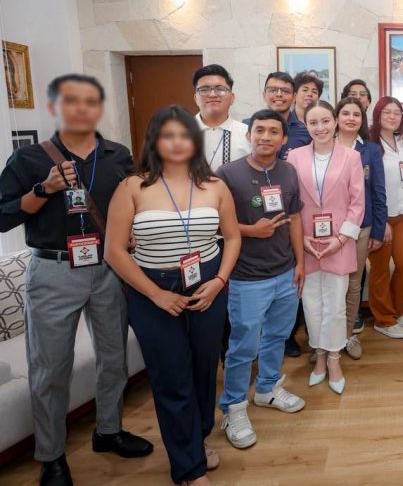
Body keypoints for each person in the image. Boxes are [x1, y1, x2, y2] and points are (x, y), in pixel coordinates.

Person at [0, 74, 154, 486]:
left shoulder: (117, 154)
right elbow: (3, 216)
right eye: (71, 101)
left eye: (90, 101)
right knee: (50, 368)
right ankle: (51, 456)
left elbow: (135, 200)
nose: (81, 109)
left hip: (108, 267)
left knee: (113, 356)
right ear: (55, 108)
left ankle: (109, 430)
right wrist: (44, 188)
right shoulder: (29, 159)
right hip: (54, 271)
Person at [105, 104, 241, 485]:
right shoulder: (132, 187)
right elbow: (114, 251)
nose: (177, 142)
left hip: (207, 285)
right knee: (171, 377)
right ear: (154, 141)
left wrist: (220, 281)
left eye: (184, 135)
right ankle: (189, 468)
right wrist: (156, 295)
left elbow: (232, 237)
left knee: (204, 372)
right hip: (152, 291)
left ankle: (196, 439)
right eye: (168, 135)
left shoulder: (215, 186)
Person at [217, 109, 306, 450]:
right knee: (243, 346)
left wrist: (300, 262)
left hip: (285, 273)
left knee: (277, 336)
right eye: (259, 130)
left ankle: (267, 389)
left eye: (273, 131)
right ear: (248, 135)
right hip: (247, 277)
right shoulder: (228, 174)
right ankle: (234, 407)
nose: (265, 136)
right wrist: (250, 230)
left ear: (284, 139)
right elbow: (215, 222)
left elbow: (294, 218)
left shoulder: (288, 171)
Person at [286, 100, 365, 395]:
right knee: (311, 304)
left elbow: (357, 204)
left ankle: (333, 358)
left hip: (339, 243)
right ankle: (318, 355)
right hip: (306, 243)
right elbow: (290, 202)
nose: (320, 128)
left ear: (335, 122)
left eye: (325, 121)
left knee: (335, 305)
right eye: (313, 122)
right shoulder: (294, 157)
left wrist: (341, 239)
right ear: (306, 126)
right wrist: (302, 238)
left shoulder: (351, 157)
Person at [334, 97, 386, 358]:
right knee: (332, 284)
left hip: (361, 227)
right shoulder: (323, 146)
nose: (351, 118)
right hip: (331, 229)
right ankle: (326, 341)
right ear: (337, 117)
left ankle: (347, 336)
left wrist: (378, 230)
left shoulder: (371, 150)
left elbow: (378, 192)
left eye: (357, 114)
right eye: (346, 113)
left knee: (354, 283)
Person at [367, 96, 403, 339]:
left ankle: (397, 309)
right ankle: (384, 320)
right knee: (380, 271)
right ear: (377, 115)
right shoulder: (370, 145)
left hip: (402, 213)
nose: (392, 116)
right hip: (381, 218)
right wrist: (381, 222)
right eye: (387, 112)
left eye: (397, 112)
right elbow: (368, 187)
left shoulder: (401, 142)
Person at [283, 72, 324, 356]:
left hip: (314, 212)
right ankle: (288, 335)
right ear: (295, 93)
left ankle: (313, 333)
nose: (309, 94)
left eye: (314, 91)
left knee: (308, 275)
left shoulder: (318, 125)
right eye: (305, 89)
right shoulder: (284, 126)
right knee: (292, 274)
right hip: (286, 208)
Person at [192, 64, 250, 172]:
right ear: (196, 98)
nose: (212, 95)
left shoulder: (247, 134)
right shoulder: (180, 132)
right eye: (204, 89)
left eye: (220, 89)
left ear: (232, 98)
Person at [242, 72, 308, 156]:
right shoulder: (245, 126)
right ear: (264, 95)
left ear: (294, 97)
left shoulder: (305, 131)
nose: (279, 94)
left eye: (285, 91)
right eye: (273, 90)